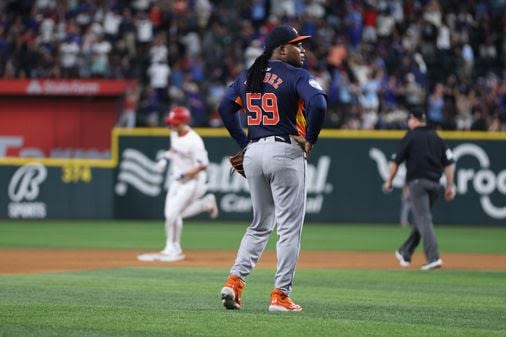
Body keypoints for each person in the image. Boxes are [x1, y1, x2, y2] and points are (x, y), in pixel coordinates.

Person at [218, 25, 326, 311]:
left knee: (260, 224)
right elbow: (318, 103)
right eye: (296, 45)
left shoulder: (248, 76)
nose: (302, 50)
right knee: (289, 228)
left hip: (255, 152)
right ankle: (280, 295)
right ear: (280, 49)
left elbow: (225, 108)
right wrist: (311, 139)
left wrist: (246, 141)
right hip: (284, 151)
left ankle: (234, 282)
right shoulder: (296, 75)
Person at [137, 106, 219, 262]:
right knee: (172, 214)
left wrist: (184, 174)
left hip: (192, 181)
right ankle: (205, 205)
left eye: (174, 122)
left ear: (183, 122)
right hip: (176, 180)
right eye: (171, 122)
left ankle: (173, 248)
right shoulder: (174, 134)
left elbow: (203, 165)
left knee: (173, 215)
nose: (171, 125)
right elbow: (173, 150)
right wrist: (164, 158)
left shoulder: (194, 141)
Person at [383, 108, 456, 270]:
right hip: (436, 185)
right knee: (422, 218)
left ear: (413, 119)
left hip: (418, 184)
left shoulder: (411, 136)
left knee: (423, 219)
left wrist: (389, 181)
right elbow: (450, 163)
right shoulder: (437, 137)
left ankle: (433, 257)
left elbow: (396, 161)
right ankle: (405, 251)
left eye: (409, 120)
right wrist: (450, 185)